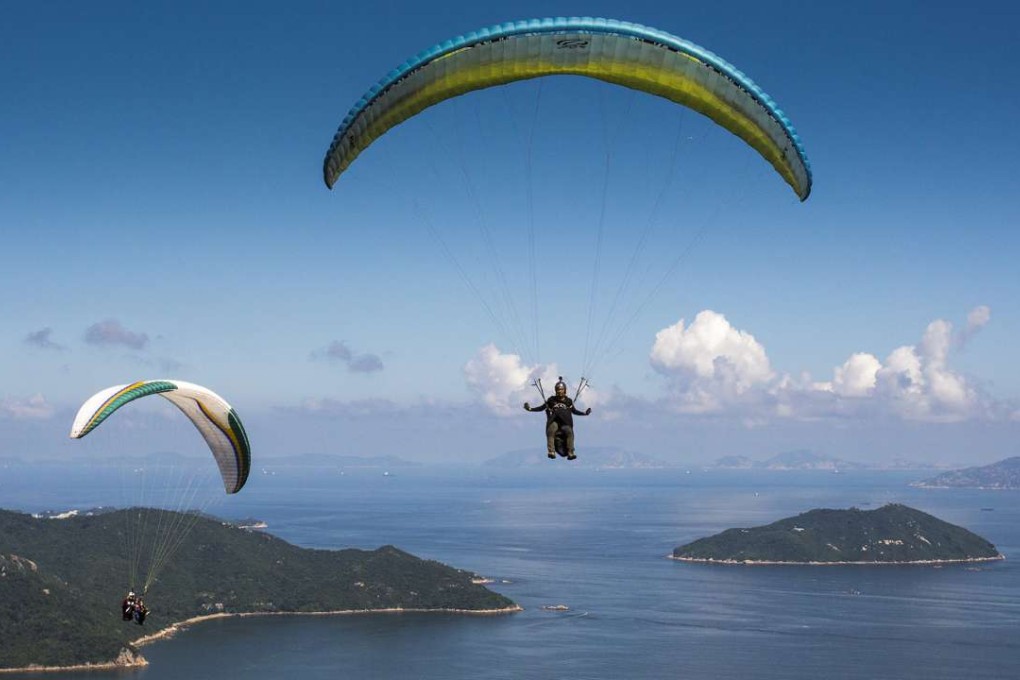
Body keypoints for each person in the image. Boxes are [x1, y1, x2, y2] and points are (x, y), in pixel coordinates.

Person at [523, 377, 591, 460]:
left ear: (565, 390)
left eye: (561, 389)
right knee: (551, 430)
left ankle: (571, 452)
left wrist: (584, 413)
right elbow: (542, 407)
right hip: (554, 421)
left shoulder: (568, 401)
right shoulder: (551, 400)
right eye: (558, 390)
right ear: (556, 390)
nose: (560, 391)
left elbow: (574, 411)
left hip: (565, 422)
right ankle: (551, 451)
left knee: (569, 432)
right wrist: (530, 409)